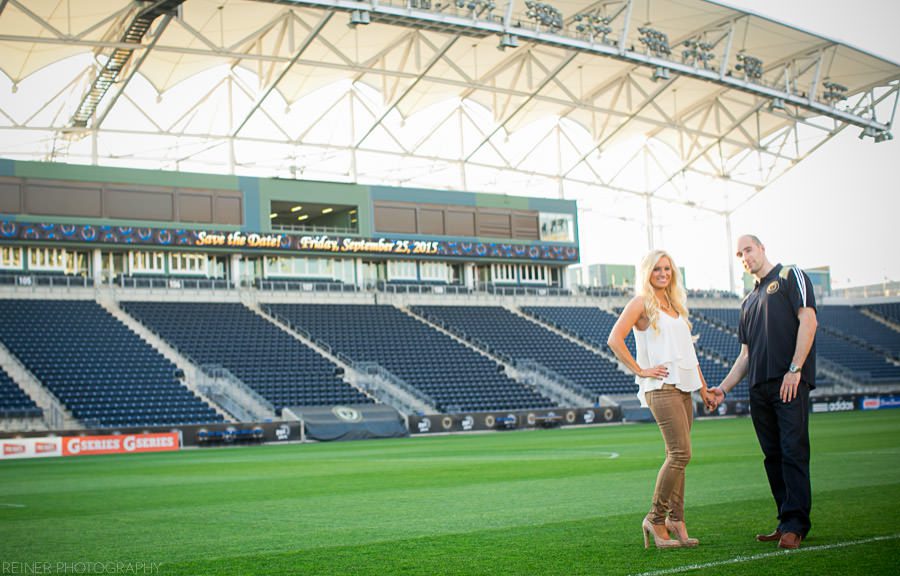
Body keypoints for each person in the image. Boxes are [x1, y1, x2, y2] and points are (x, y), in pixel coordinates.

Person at [708, 234, 817, 550]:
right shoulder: (747, 301)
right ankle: (785, 521)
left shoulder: (789, 276)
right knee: (773, 457)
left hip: (788, 382)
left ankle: (796, 524)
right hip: (759, 387)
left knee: (792, 450)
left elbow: (808, 320)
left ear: (762, 248)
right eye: (739, 253)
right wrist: (723, 389)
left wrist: (795, 370)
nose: (745, 256)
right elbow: (745, 356)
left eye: (749, 249)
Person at [608, 249, 713, 549]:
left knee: (678, 458)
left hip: (684, 387)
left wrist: (703, 388)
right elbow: (615, 338)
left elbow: (689, 354)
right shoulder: (641, 302)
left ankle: (676, 519)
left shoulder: (675, 305)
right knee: (680, 454)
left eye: (667, 269)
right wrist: (641, 370)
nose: (663, 274)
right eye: (657, 269)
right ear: (647, 273)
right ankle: (654, 519)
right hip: (660, 386)